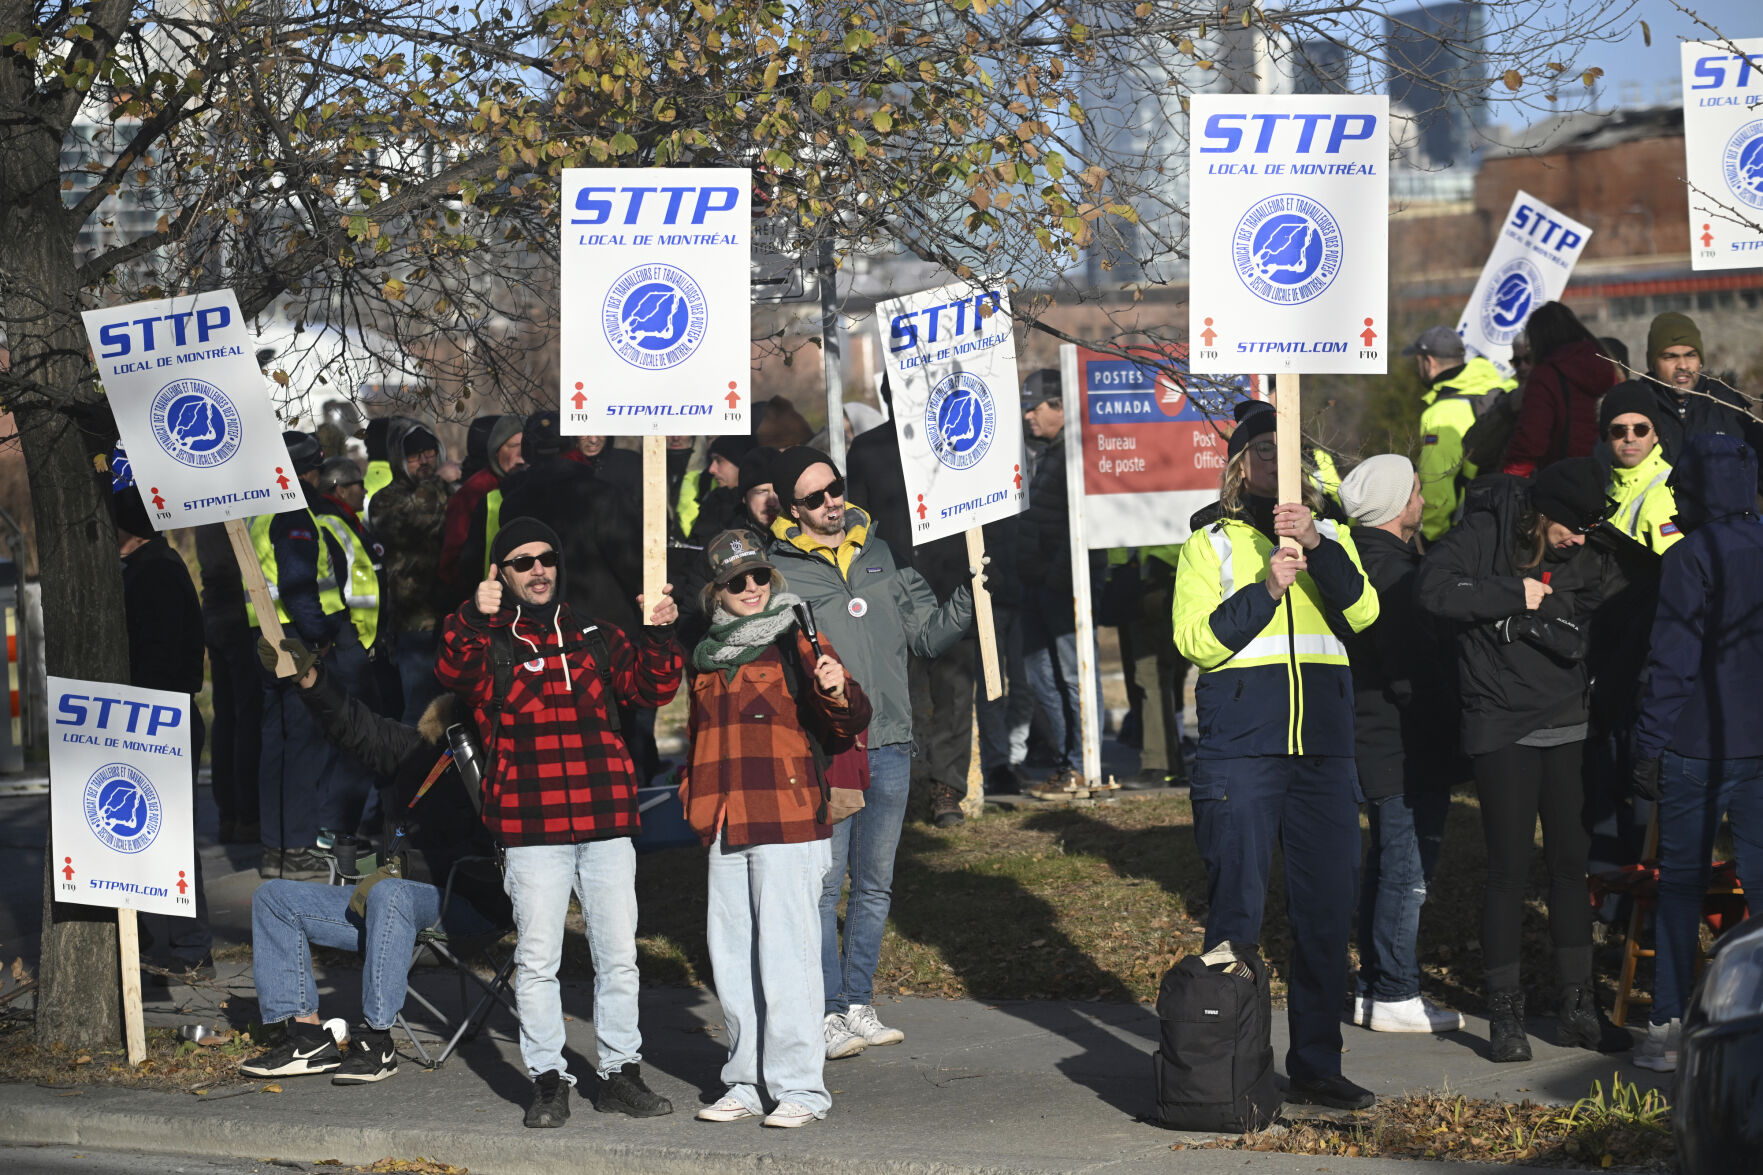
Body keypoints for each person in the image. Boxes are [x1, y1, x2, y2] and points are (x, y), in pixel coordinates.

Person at [435, 517, 683, 1128]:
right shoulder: (489, 642)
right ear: (501, 573)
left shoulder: (596, 633)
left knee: (618, 955)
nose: (538, 569)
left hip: (605, 820)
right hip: (530, 828)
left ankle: (621, 1071)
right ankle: (549, 1079)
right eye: (522, 562)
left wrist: (658, 634)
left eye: (546, 557)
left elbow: (656, 688)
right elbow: (448, 670)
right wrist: (470, 614)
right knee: (539, 960)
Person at [1170, 400, 1381, 1111]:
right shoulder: (1211, 542)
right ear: (1237, 465)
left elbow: (1364, 614)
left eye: (1282, 450)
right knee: (1236, 916)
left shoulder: (1332, 538)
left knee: (1325, 918)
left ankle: (1317, 1062)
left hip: (1322, 755)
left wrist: (1317, 546)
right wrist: (1266, 589)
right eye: (1259, 450)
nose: (1271, 462)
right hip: (1241, 753)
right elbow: (1196, 641)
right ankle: (1230, 1065)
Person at [1416, 459, 1630, 1062]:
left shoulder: (1589, 549)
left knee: (1569, 866)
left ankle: (1578, 1008)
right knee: (1507, 870)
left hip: (1567, 720)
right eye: (1572, 528)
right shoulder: (1486, 532)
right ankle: (1505, 1015)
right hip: (1500, 723)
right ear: (1545, 513)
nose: (1579, 540)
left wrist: (1536, 619)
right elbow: (1432, 590)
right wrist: (1514, 595)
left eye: (1589, 530)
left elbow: (1602, 618)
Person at [765, 446, 974, 1058]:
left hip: (891, 740)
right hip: (829, 748)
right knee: (825, 887)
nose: (831, 503)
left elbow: (927, 635)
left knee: (875, 884)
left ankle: (857, 1001)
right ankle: (824, 1010)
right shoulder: (780, 573)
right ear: (791, 509)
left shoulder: (879, 553)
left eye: (835, 488)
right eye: (814, 498)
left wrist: (970, 591)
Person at [240, 635, 509, 1085]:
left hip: (470, 906)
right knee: (273, 897)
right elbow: (353, 724)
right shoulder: (417, 753)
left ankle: (377, 1042)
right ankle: (307, 1041)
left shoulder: (505, 765)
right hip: (392, 903)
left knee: (390, 892)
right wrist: (310, 679)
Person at [679, 530, 873, 1128]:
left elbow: (848, 720)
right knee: (731, 958)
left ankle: (801, 1089)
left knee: (788, 958)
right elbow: (696, 736)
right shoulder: (705, 654)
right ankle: (743, 1079)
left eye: (760, 576)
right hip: (722, 819)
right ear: (718, 590)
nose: (752, 589)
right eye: (737, 581)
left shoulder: (797, 634)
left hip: (789, 819)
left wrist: (837, 691)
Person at [1628, 433, 1763, 1072]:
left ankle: (1668, 1025)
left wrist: (1648, 742)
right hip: (1758, 745)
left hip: (1698, 745)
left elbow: (1673, 659)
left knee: (1680, 887)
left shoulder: (1692, 555)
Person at [1336, 455, 1463, 1034]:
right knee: (1407, 870)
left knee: (1387, 862)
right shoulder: (1395, 574)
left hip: (1373, 732)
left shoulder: (1363, 559)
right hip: (1400, 738)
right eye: (1416, 488)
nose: (1423, 497)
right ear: (1396, 506)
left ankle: (1374, 987)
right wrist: (1450, 722)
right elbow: (1412, 669)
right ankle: (1395, 990)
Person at [845, 381, 974, 827]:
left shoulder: (961, 438)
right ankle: (883, 785)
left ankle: (946, 789)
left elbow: (984, 506)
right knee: (886, 692)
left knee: (954, 692)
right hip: (889, 590)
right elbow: (855, 525)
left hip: (950, 584)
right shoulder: (867, 449)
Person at [108, 452, 212, 979]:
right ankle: (164, 942)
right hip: (157, 713)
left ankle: (188, 945)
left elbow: (162, 656)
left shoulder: (153, 574)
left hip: (158, 715)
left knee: (166, 833)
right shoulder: (153, 568)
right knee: (153, 830)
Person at [251, 431, 363, 879]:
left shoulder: (259, 509)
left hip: (265, 634)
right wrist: (319, 636)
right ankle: (297, 849)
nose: (318, 480)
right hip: (295, 639)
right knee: (303, 745)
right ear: (304, 473)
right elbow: (299, 587)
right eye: (316, 471)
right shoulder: (292, 511)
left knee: (276, 745)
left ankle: (276, 848)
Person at [1018, 369, 1098, 790]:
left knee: (1073, 675)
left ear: (1061, 407)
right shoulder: (1048, 452)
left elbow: (1080, 529)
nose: (1028, 415)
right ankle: (1069, 762)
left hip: (1064, 587)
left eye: (1035, 406)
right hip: (1036, 584)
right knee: (1043, 678)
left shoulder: (1077, 454)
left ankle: (1086, 762)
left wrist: (1054, 577)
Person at [1611, 312, 1763, 484]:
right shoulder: (1634, 407)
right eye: (1670, 357)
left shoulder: (1726, 404)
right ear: (1653, 363)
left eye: (1690, 355)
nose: (1683, 366)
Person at [368, 419, 453, 723]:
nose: (425, 460)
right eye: (415, 455)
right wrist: (440, 483)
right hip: (413, 624)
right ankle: (415, 770)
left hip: (451, 619)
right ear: (400, 459)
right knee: (418, 710)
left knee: (450, 710)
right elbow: (411, 516)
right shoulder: (385, 500)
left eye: (429, 452)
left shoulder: (447, 492)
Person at [1403, 325, 1516, 542]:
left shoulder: (1442, 413)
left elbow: (1438, 482)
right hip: (1504, 514)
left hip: (1464, 529)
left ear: (1429, 362)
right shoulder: (1500, 391)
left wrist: (1429, 536)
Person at [194, 520, 260, 844]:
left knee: (226, 718)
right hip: (237, 616)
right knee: (247, 718)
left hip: (216, 612)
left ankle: (229, 815)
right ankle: (246, 815)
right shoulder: (230, 506)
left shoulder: (203, 505)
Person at [1500, 302, 1619, 477]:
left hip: (1565, 476)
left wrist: (1509, 477)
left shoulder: (1546, 374)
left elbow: (1531, 439)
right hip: (1609, 470)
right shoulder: (1606, 363)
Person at [439, 413, 523, 608]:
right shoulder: (473, 492)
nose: (522, 453)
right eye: (513, 445)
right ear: (495, 451)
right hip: (485, 611)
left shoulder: (537, 487)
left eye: (526, 445)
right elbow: (451, 564)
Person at [1600, 384, 1681, 554]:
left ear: (1656, 435)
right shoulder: (1607, 489)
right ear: (1606, 436)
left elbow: (1676, 569)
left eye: (1641, 429)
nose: (1630, 438)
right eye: (1618, 430)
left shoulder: (1669, 490)